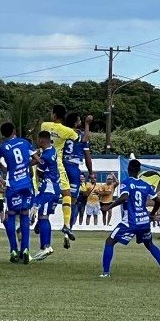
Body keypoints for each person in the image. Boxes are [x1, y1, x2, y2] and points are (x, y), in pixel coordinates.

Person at [99, 159, 160, 278]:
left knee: (110, 241)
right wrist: (152, 214)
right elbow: (158, 201)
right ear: (139, 171)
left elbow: (124, 197)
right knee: (150, 244)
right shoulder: (145, 185)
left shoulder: (126, 182)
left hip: (131, 221)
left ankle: (106, 273)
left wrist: (108, 207)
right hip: (144, 221)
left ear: (128, 169)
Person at [0, 122, 35, 264]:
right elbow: (37, 159)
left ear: (3, 134)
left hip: (13, 186)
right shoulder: (24, 142)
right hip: (27, 185)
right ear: (15, 130)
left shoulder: (3, 147)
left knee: (10, 216)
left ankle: (13, 249)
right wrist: (24, 166)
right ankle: (25, 248)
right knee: (24, 215)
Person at [40, 105, 79, 242]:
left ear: (54, 115)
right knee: (66, 194)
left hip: (42, 162)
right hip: (57, 165)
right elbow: (77, 138)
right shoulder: (67, 131)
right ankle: (67, 225)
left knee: (43, 192)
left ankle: (38, 219)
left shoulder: (44, 125)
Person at [61, 112, 94, 247]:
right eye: (79, 120)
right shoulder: (80, 135)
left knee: (53, 195)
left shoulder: (62, 133)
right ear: (76, 123)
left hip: (60, 166)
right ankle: (68, 229)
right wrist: (91, 173)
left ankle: (40, 219)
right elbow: (87, 158)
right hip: (73, 168)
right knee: (73, 201)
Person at [31, 131, 62, 261]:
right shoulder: (52, 150)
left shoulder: (47, 156)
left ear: (41, 141)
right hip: (54, 188)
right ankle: (45, 246)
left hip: (48, 189)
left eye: (38, 140)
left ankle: (46, 247)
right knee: (44, 216)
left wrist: (33, 160)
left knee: (41, 215)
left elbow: (39, 172)